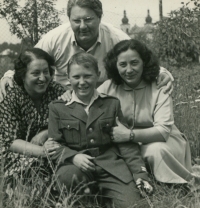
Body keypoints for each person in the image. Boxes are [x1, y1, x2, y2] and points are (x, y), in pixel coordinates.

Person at [0, 0, 173, 102]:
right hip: (62, 100)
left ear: (100, 18)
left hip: (104, 101)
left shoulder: (115, 37)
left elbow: (143, 59)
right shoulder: (55, 38)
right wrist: (8, 76)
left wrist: (163, 73)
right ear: (69, 19)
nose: (82, 26)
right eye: (76, 21)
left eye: (88, 19)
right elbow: (30, 63)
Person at [48, 52, 153, 208]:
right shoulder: (58, 108)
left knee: (134, 205)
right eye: (76, 77)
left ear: (97, 75)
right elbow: (54, 146)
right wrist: (73, 157)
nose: (82, 82)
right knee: (68, 177)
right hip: (75, 167)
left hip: (110, 166)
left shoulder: (111, 104)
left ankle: (103, 194)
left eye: (88, 76)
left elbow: (126, 144)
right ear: (68, 78)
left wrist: (140, 173)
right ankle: (87, 199)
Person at [97, 39, 194, 184]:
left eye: (134, 63)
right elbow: (86, 103)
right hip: (126, 145)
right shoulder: (108, 87)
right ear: (115, 66)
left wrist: (129, 135)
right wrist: (68, 96)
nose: (129, 70)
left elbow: (163, 131)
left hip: (163, 141)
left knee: (156, 151)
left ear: (144, 62)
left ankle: (174, 185)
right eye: (123, 64)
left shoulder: (159, 86)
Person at [0, 48, 65, 190]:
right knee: (35, 168)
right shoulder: (11, 96)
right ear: (23, 76)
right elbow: (10, 141)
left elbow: (72, 118)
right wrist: (42, 152)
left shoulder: (57, 91)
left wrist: (47, 132)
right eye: (36, 73)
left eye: (46, 72)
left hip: (49, 148)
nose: (43, 78)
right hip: (16, 152)